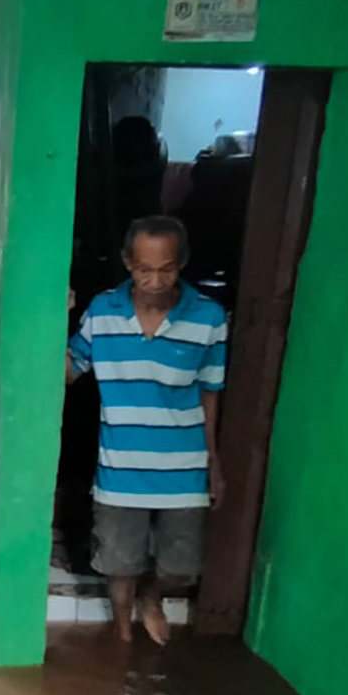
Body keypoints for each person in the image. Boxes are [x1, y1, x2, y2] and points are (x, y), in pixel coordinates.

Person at [65, 216, 228, 645]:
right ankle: (122, 637)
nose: (155, 281)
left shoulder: (209, 319)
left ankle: (152, 597)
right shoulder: (102, 312)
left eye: (167, 269)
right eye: (143, 270)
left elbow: (211, 392)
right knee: (120, 564)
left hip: (184, 468)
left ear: (183, 263)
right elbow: (66, 372)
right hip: (120, 470)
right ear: (126, 263)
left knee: (181, 566)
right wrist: (51, 317)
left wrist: (214, 462)